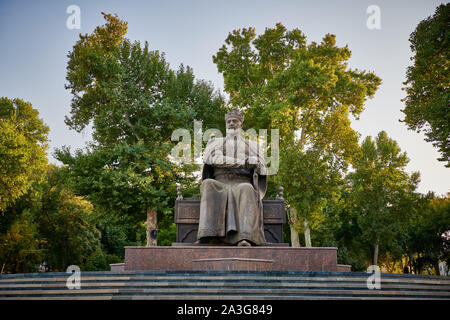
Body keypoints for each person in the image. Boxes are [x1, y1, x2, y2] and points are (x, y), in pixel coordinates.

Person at [196, 108, 267, 246]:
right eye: (229, 121)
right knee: (208, 184)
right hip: (220, 182)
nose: (231, 123)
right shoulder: (215, 142)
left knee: (246, 189)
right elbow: (213, 159)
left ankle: (246, 238)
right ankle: (209, 235)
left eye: (235, 121)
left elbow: (263, 167)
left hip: (242, 181)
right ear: (225, 124)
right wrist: (243, 162)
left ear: (241, 123)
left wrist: (256, 164)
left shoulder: (253, 146)